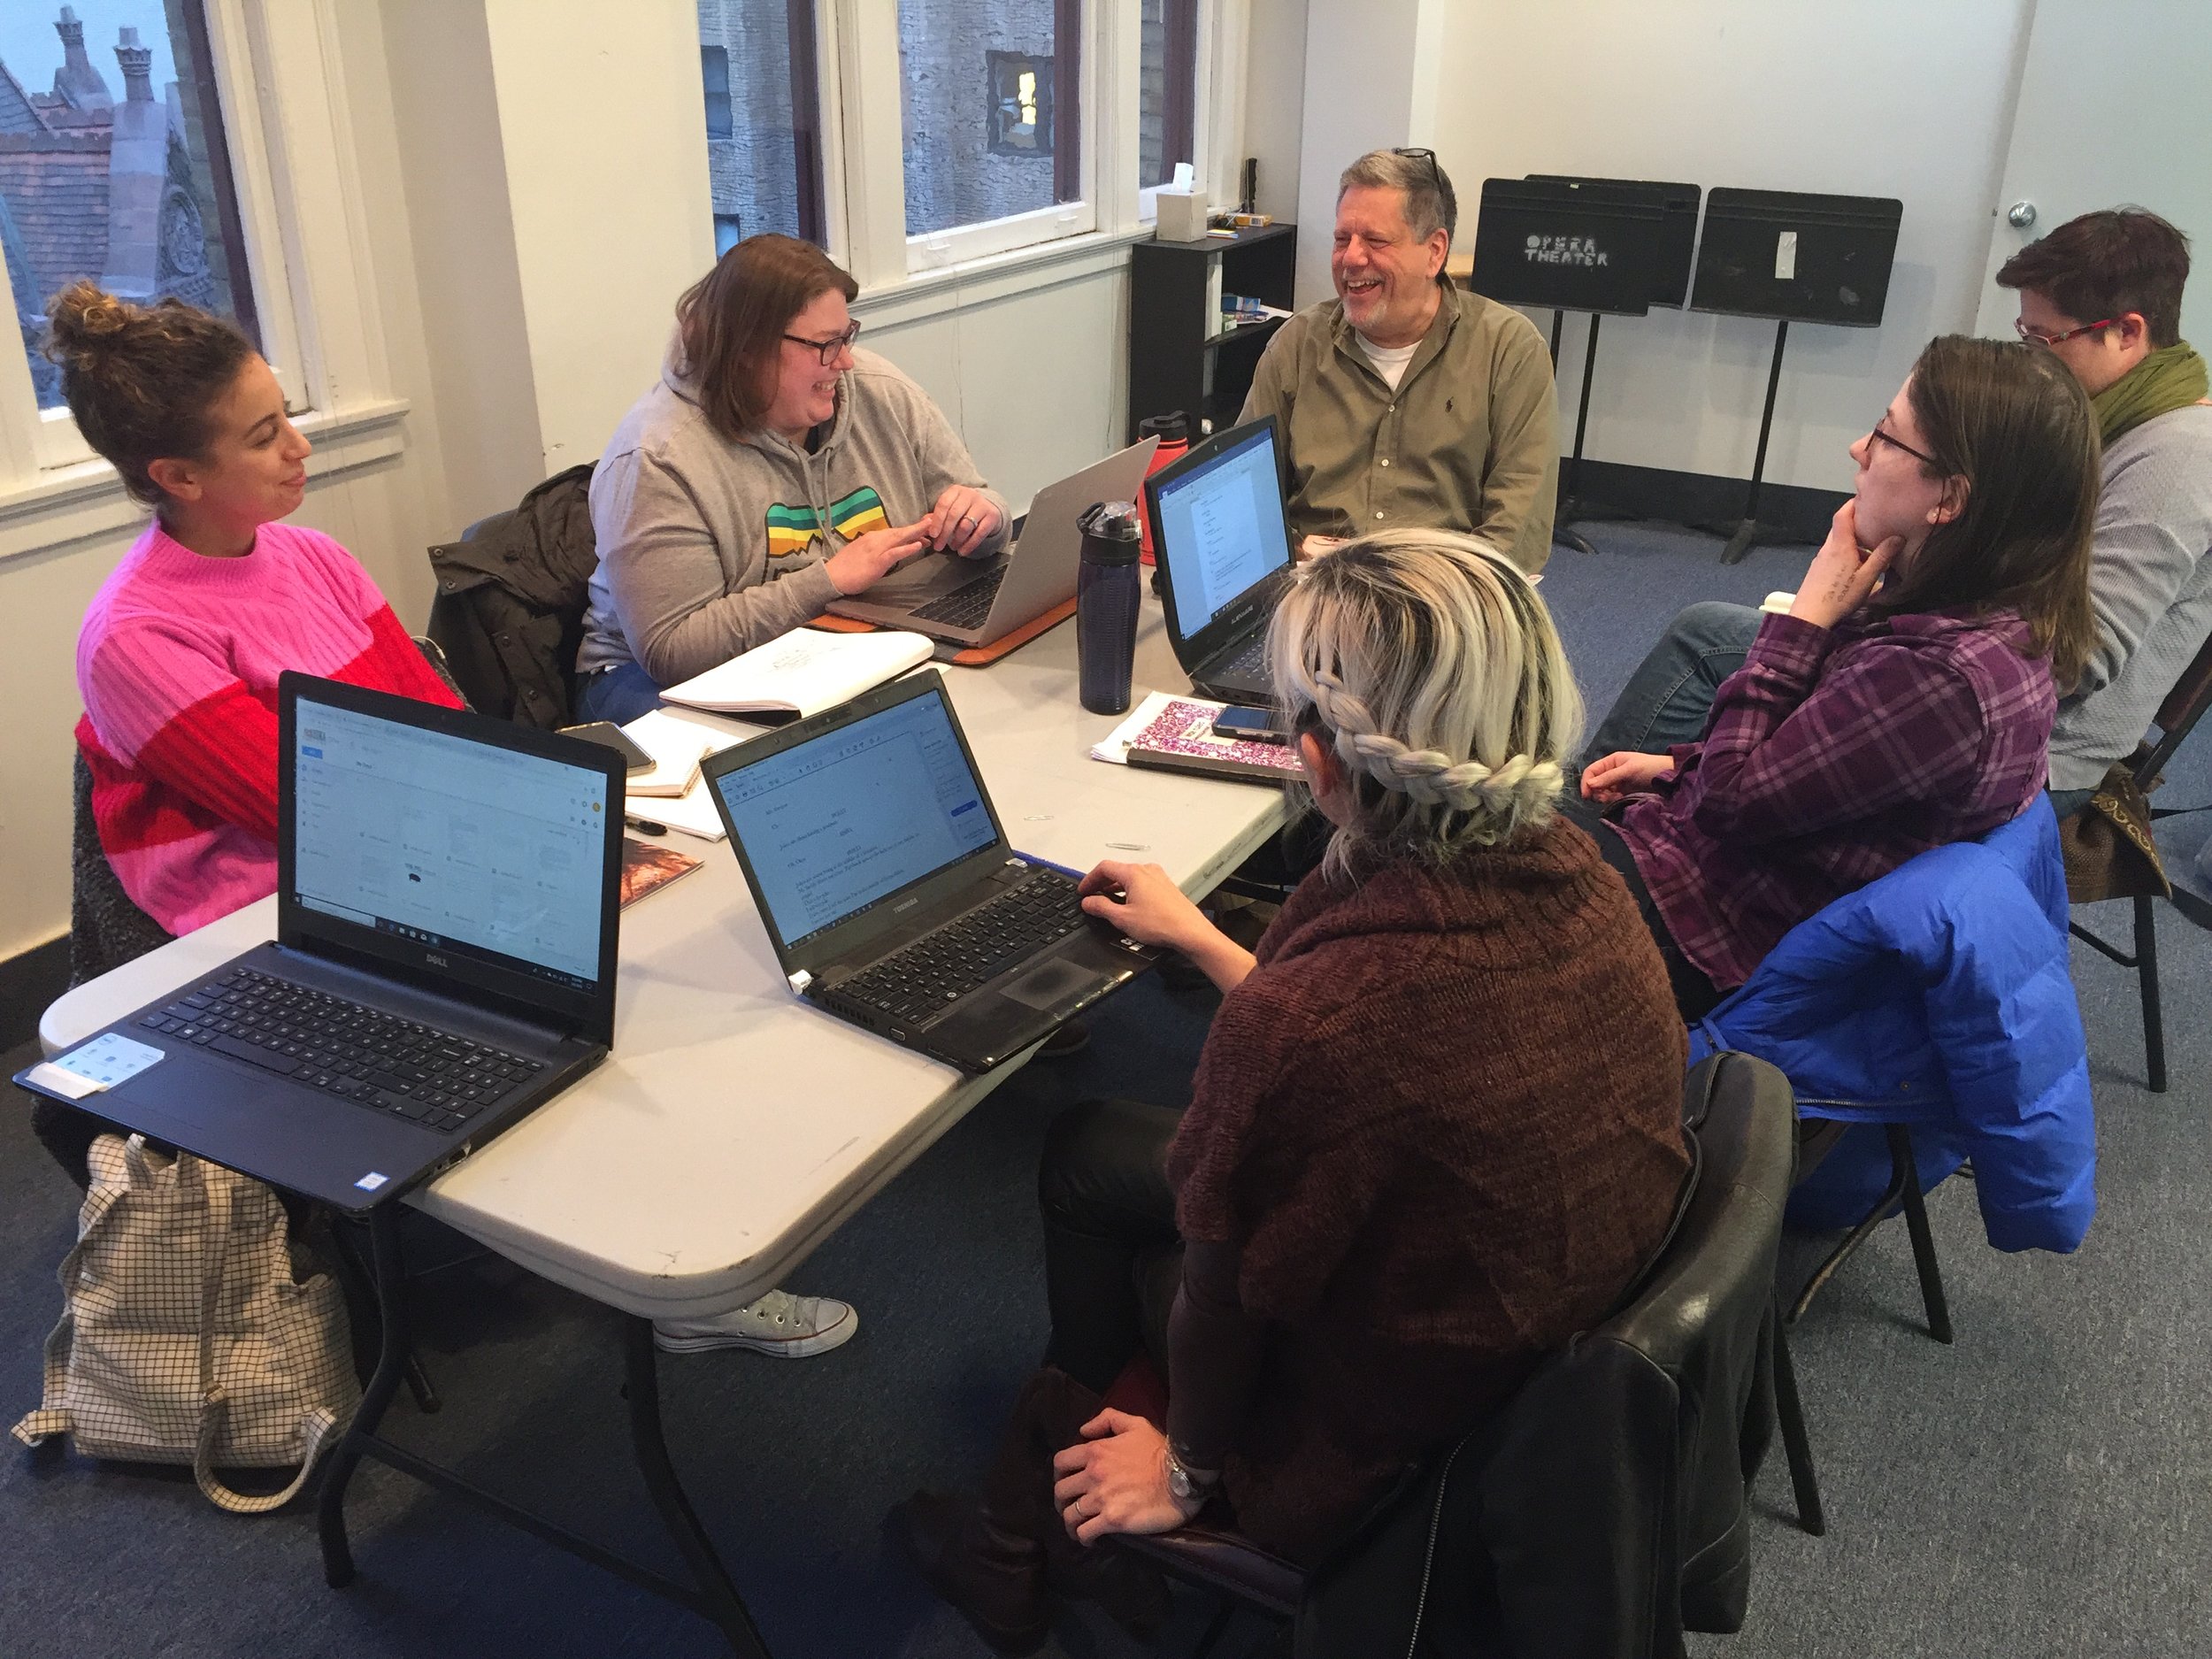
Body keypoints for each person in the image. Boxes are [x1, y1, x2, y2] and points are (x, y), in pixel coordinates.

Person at [894, 532, 1692, 1652]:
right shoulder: (1579, 872)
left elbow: (1222, 1300)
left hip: (1385, 1418)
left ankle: (1055, 1504)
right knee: (1090, 1148)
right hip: (1519, 1326)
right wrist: (1210, 942)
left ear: (1316, 764)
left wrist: (1187, 1465)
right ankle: (1054, 1483)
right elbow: (1364, 1039)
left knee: (1114, 1194)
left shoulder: (1311, 1027)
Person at [1586, 208, 2211, 823]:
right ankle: (1607, 818)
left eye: (2045, 340)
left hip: (2042, 752)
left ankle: (1574, 833)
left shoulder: (2178, 456)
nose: (2034, 358)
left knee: (1708, 642)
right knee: (1729, 639)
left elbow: (2074, 660)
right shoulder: (2099, 418)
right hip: (1952, 660)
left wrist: (1857, 628)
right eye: (2025, 335)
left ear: (2127, 331)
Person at [47, 280, 463, 1181]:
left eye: (288, 417)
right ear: (180, 477)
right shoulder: (137, 635)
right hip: (268, 912)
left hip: (395, 857)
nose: (299, 448)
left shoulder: (314, 557)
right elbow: (314, 816)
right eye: (264, 435)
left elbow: (441, 728)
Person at [1576, 335, 2099, 1016]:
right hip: (1724, 881)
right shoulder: (1987, 623)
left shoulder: (1939, 680)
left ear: (1948, 499)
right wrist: (1675, 767)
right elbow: (1813, 768)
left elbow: (1730, 802)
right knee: (1487, 820)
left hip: (1709, 928)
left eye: (1886, 436)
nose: (1860, 449)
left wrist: (1807, 618)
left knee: (1444, 844)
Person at [575, 234, 1010, 724]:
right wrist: (829, 581)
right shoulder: (654, 458)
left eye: (846, 337)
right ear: (748, 349)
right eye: (824, 346)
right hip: (643, 683)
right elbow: (672, 650)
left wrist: (984, 518)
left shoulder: (880, 392)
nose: (844, 362)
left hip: (837, 637)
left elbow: (980, 500)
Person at [1237, 150, 1559, 572]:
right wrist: (1294, 548)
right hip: (1318, 594)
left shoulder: (1509, 351)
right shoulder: (1297, 346)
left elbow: (1517, 535)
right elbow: (1242, 495)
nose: (1351, 258)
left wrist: (1408, 589)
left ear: (1434, 252)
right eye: (1341, 239)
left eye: (1375, 240)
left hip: (1446, 605)